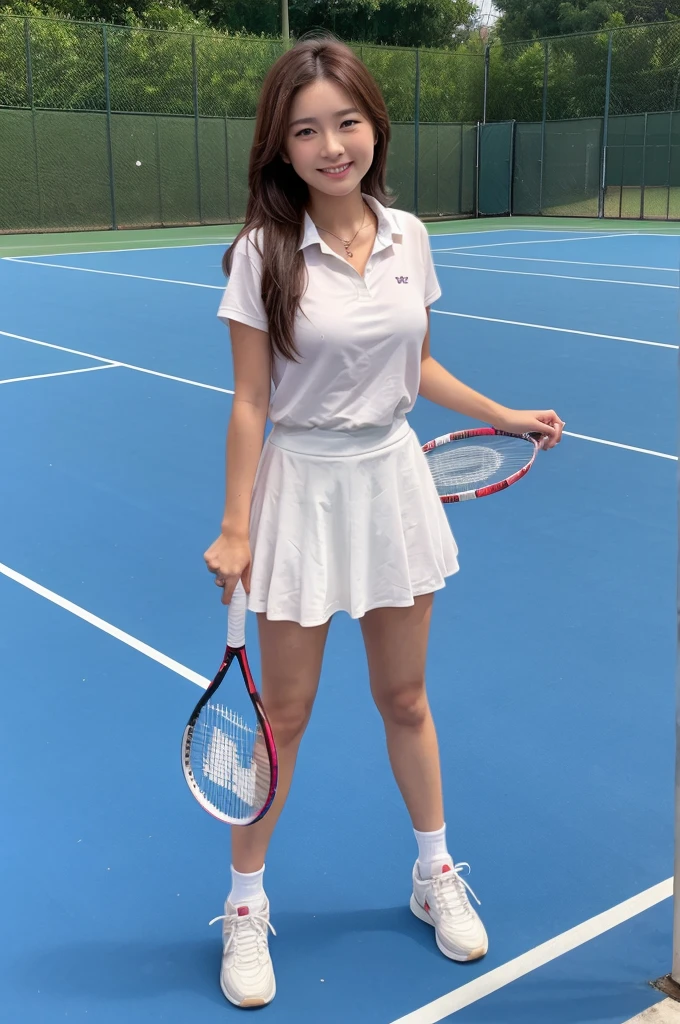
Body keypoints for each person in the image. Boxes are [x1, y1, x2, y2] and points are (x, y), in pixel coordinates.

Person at [204, 34, 564, 1009]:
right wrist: (234, 525)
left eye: (347, 122)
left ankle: (432, 872)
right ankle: (244, 908)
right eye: (307, 129)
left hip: (391, 481)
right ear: (279, 146)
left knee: (404, 699)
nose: (332, 145)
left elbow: (414, 368)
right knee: (282, 718)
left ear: (374, 124)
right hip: (300, 490)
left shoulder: (409, 235)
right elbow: (248, 401)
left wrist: (501, 414)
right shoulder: (260, 253)